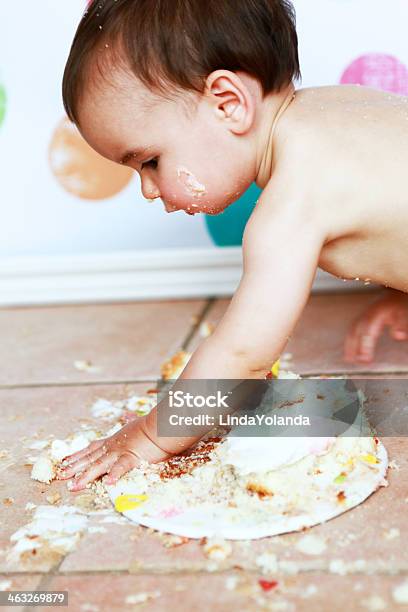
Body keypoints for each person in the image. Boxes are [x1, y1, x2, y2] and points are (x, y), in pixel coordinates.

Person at [57, 0, 408, 490]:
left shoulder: (290, 204)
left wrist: (151, 439)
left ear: (228, 103)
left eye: (151, 161)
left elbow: (243, 354)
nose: (149, 189)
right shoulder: (339, 107)